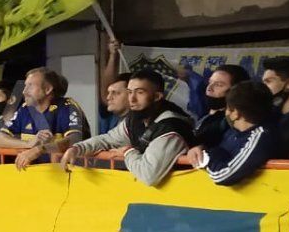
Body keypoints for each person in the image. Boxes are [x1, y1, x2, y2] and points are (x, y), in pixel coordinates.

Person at [60, 70, 194, 186]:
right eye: (130, 92)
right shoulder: (136, 117)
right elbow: (108, 139)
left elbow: (148, 175)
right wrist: (77, 148)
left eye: (140, 92)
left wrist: (127, 152)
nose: (132, 99)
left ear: (157, 96)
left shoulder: (171, 126)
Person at [186, 81, 279, 186]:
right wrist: (201, 148)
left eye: (227, 107)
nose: (226, 112)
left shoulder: (261, 137)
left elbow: (222, 175)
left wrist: (210, 154)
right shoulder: (232, 132)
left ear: (235, 113)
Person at [0, 68, 88, 170]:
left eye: (30, 86)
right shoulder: (25, 109)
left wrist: (40, 149)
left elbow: (74, 139)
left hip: (71, 176)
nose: (24, 91)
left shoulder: (68, 106)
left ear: (47, 89)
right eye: (25, 86)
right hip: (38, 176)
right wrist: (29, 144)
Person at [195, 64, 250, 149]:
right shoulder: (206, 117)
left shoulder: (230, 123)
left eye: (219, 85)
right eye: (209, 82)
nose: (209, 88)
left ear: (235, 90)